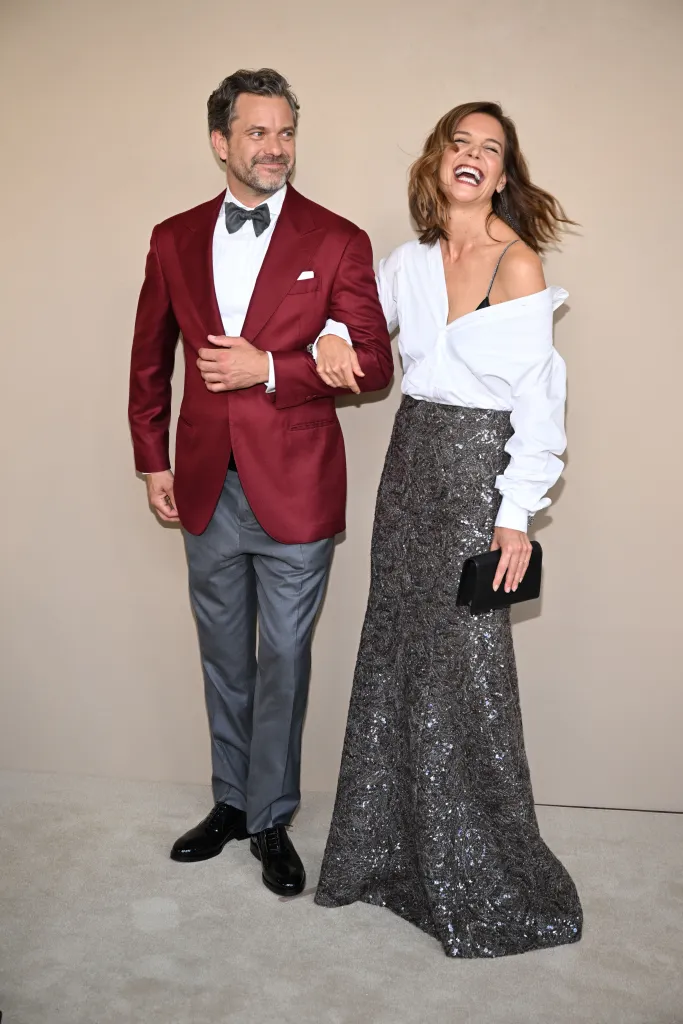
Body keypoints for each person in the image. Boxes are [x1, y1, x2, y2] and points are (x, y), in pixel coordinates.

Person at [314, 101, 583, 956]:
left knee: (465, 667)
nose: (471, 156)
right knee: (395, 648)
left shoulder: (516, 261)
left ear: (501, 176)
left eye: (488, 149)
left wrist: (514, 516)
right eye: (458, 143)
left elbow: (538, 401)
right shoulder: (407, 263)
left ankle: (479, 868)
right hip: (408, 468)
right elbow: (356, 320)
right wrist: (329, 333)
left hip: (476, 477)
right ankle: (385, 853)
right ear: (438, 162)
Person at [128, 68, 392, 897]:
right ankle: (231, 803)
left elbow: (374, 364)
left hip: (297, 487)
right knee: (222, 657)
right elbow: (149, 361)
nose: (275, 148)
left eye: (285, 132)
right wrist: (152, 459)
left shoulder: (337, 239)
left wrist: (271, 369)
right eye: (257, 132)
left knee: (281, 657)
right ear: (221, 142)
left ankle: (271, 816)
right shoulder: (172, 237)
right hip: (204, 485)